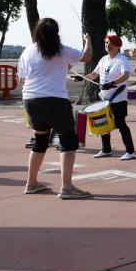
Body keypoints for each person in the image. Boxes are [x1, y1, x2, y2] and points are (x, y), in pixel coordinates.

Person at [17, 18, 92, 199]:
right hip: (54, 100)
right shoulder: (61, 50)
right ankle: (66, 187)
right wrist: (88, 40)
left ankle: (31, 183)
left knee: (40, 141)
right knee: (68, 141)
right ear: (56, 33)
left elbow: (21, 79)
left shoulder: (28, 51)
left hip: (31, 100)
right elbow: (87, 56)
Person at [82, 34, 135, 160]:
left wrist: (112, 83)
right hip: (105, 99)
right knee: (103, 124)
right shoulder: (104, 59)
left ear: (117, 46)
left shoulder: (121, 59)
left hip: (118, 98)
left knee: (121, 124)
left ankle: (130, 151)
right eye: (106, 43)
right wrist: (83, 77)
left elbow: (126, 75)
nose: (107, 45)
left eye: (110, 43)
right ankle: (106, 149)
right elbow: (94, 74)